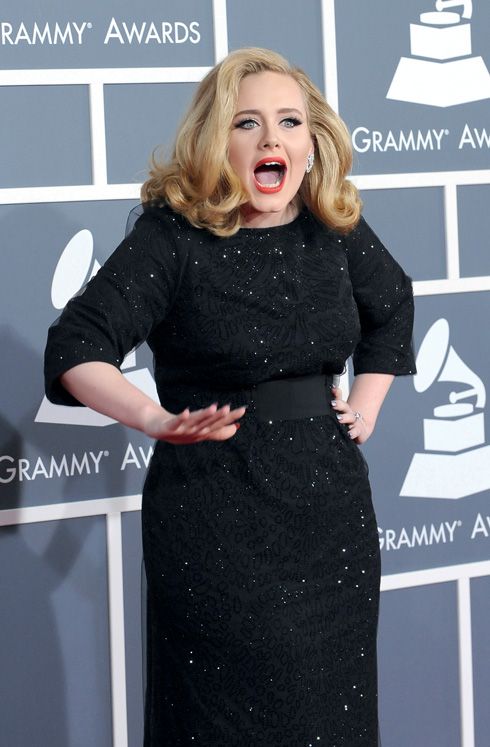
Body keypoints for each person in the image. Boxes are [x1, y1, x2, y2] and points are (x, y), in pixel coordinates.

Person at [44, 47, 415, 746]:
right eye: (248, 123)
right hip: (214, 523)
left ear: (311, 143)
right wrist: (154, 416)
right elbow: (76, 348)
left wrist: (366, 404)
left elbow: (393, 304)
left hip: (332, 525)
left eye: (289, 122)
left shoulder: (331, 226)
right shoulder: (173, 237)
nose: (272, 138)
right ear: (219, 141)